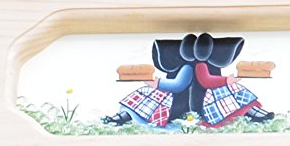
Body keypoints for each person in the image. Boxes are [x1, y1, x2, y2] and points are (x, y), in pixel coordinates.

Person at [102, 33, 276, 129]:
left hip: (207, 95)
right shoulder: (187, 67)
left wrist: (228, 81)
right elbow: (180, 85)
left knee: (236, 93)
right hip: (172, 95)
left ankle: (252, 113)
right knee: (144, 97)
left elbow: (207, 81)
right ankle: (122, 116)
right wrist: (157, 84)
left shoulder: (202, 64)